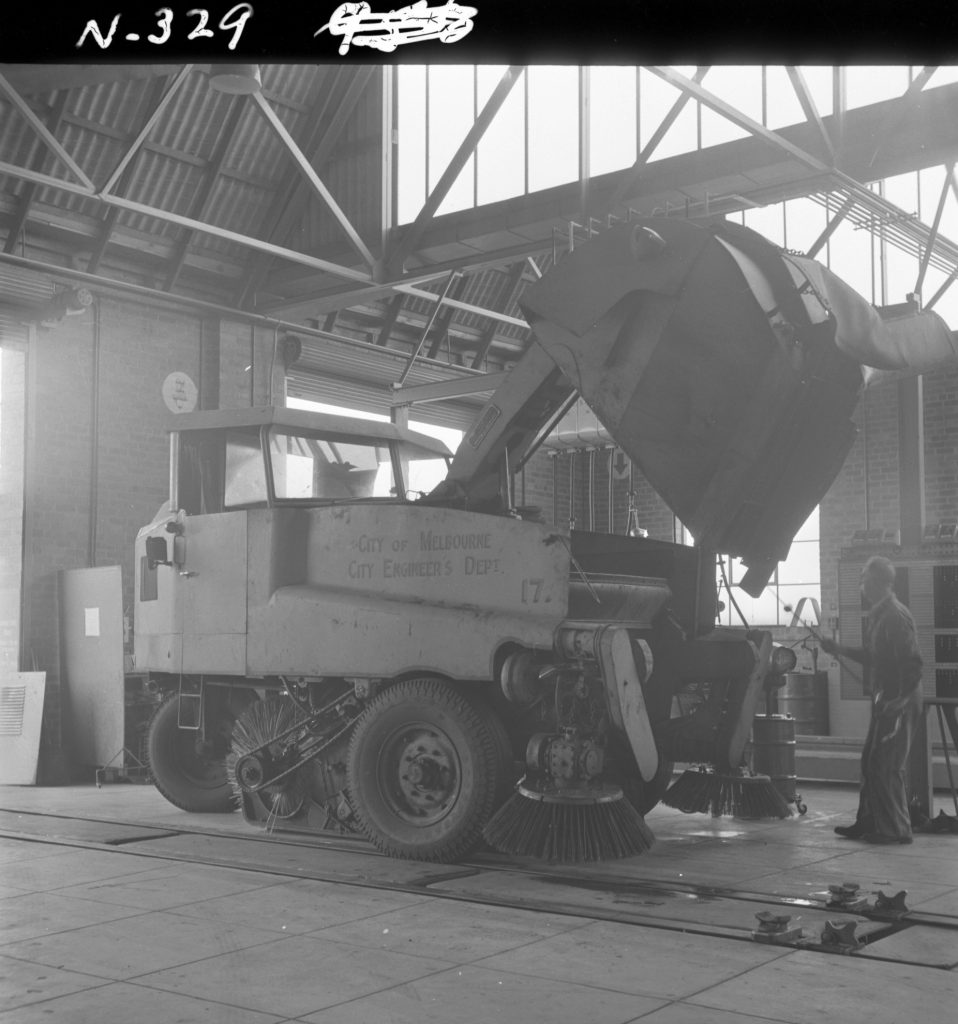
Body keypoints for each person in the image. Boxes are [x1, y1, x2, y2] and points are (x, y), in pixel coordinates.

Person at [819, 555, 923, 844]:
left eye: (863, 578)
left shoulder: (895, 615)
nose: (861, 584)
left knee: (887, 764)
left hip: (900, 698)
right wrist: (838, 648)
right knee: (871, 761)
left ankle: (895, 830)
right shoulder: (880, 614)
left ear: (877, 581)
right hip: (887, 697)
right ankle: (869, 822)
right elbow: (873, 656)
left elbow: (912, 664)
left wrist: (900, 700)